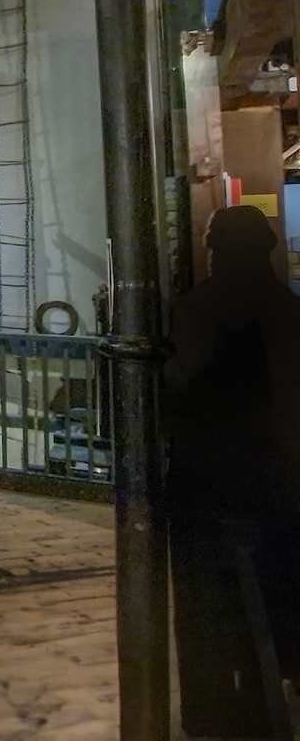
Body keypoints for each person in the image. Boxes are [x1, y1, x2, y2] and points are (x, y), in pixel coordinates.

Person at [167, 205, 300, 735]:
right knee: (283, 597)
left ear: (215, 251)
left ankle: (213, 713)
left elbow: (178, 383)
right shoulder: (289, 310)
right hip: (283, 482)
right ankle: (276, 701)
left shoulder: (197, 308)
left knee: (206, 610)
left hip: (208, 485)